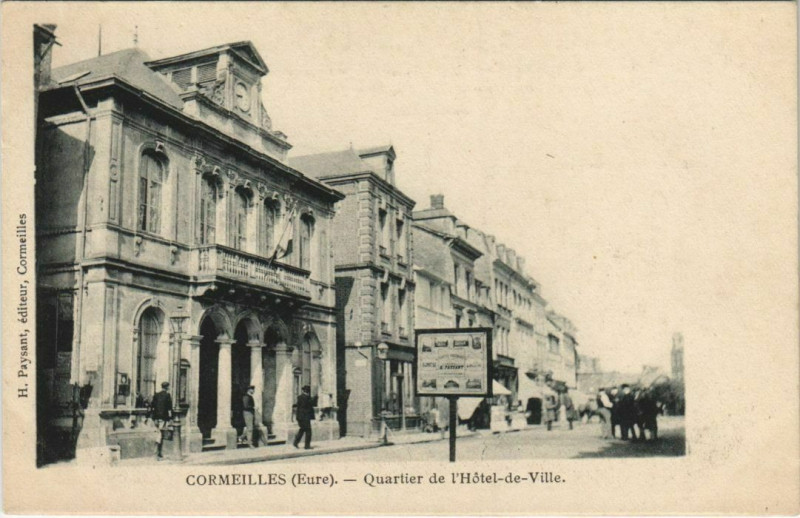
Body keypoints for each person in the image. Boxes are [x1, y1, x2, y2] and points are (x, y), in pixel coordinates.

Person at [150, 382, 173, 459]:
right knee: (160, 435)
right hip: (163, 418)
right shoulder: (167, 395)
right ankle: (156, 453)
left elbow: (152, 406)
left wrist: (154, 417)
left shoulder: (156, 395)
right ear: (167, 387)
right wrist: (170, 419)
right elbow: (169, 408)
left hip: (156, 418)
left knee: (159, 434)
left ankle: (159, 453)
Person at [293, 385, 314, 449]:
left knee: (302, 430)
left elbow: (298, 406)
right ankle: (307, 446)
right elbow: (309, 407)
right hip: (305, 417)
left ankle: (295, 442)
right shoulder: (307, 398)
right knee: (308, 431)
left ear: (303, 390)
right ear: (308, 391)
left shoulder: (299, 397)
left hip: (300, 417)